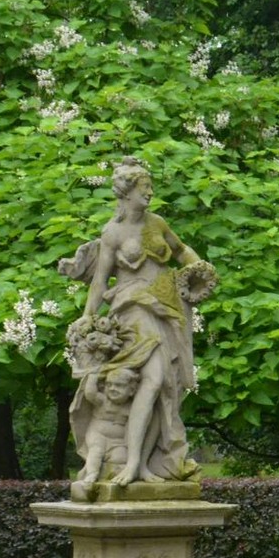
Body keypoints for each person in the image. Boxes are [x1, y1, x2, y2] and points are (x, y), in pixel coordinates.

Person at [59, 157, 218, 487]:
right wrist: (87, 317)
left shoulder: (157, 222)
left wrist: (199, 267)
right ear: (126, 191)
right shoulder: (113, 232)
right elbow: (100, 281)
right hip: (133, 308)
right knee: (154, 379)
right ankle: (132, 463)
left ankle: (142, 464)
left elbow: (181, 250)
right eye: (145, 187)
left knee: (164, 388)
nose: (150, 193)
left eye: (150, 187)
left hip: (167, 308)